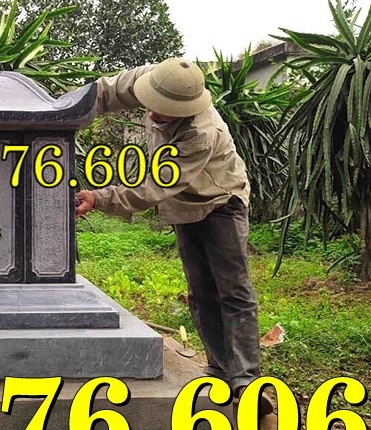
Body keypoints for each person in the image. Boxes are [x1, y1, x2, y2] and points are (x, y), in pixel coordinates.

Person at [74, 57, 276, 422]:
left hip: (220, 203)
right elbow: (103, 92)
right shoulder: (151, 80)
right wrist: (60, 111)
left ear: (186, 109)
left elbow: (153, 188)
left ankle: (246, 383)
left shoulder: (201, 132)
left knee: (233, 291)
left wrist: (100, 198)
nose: (152, 114)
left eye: (163, 111)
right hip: (182, 205)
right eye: (151, 104)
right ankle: (219, 368)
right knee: (200, 291)